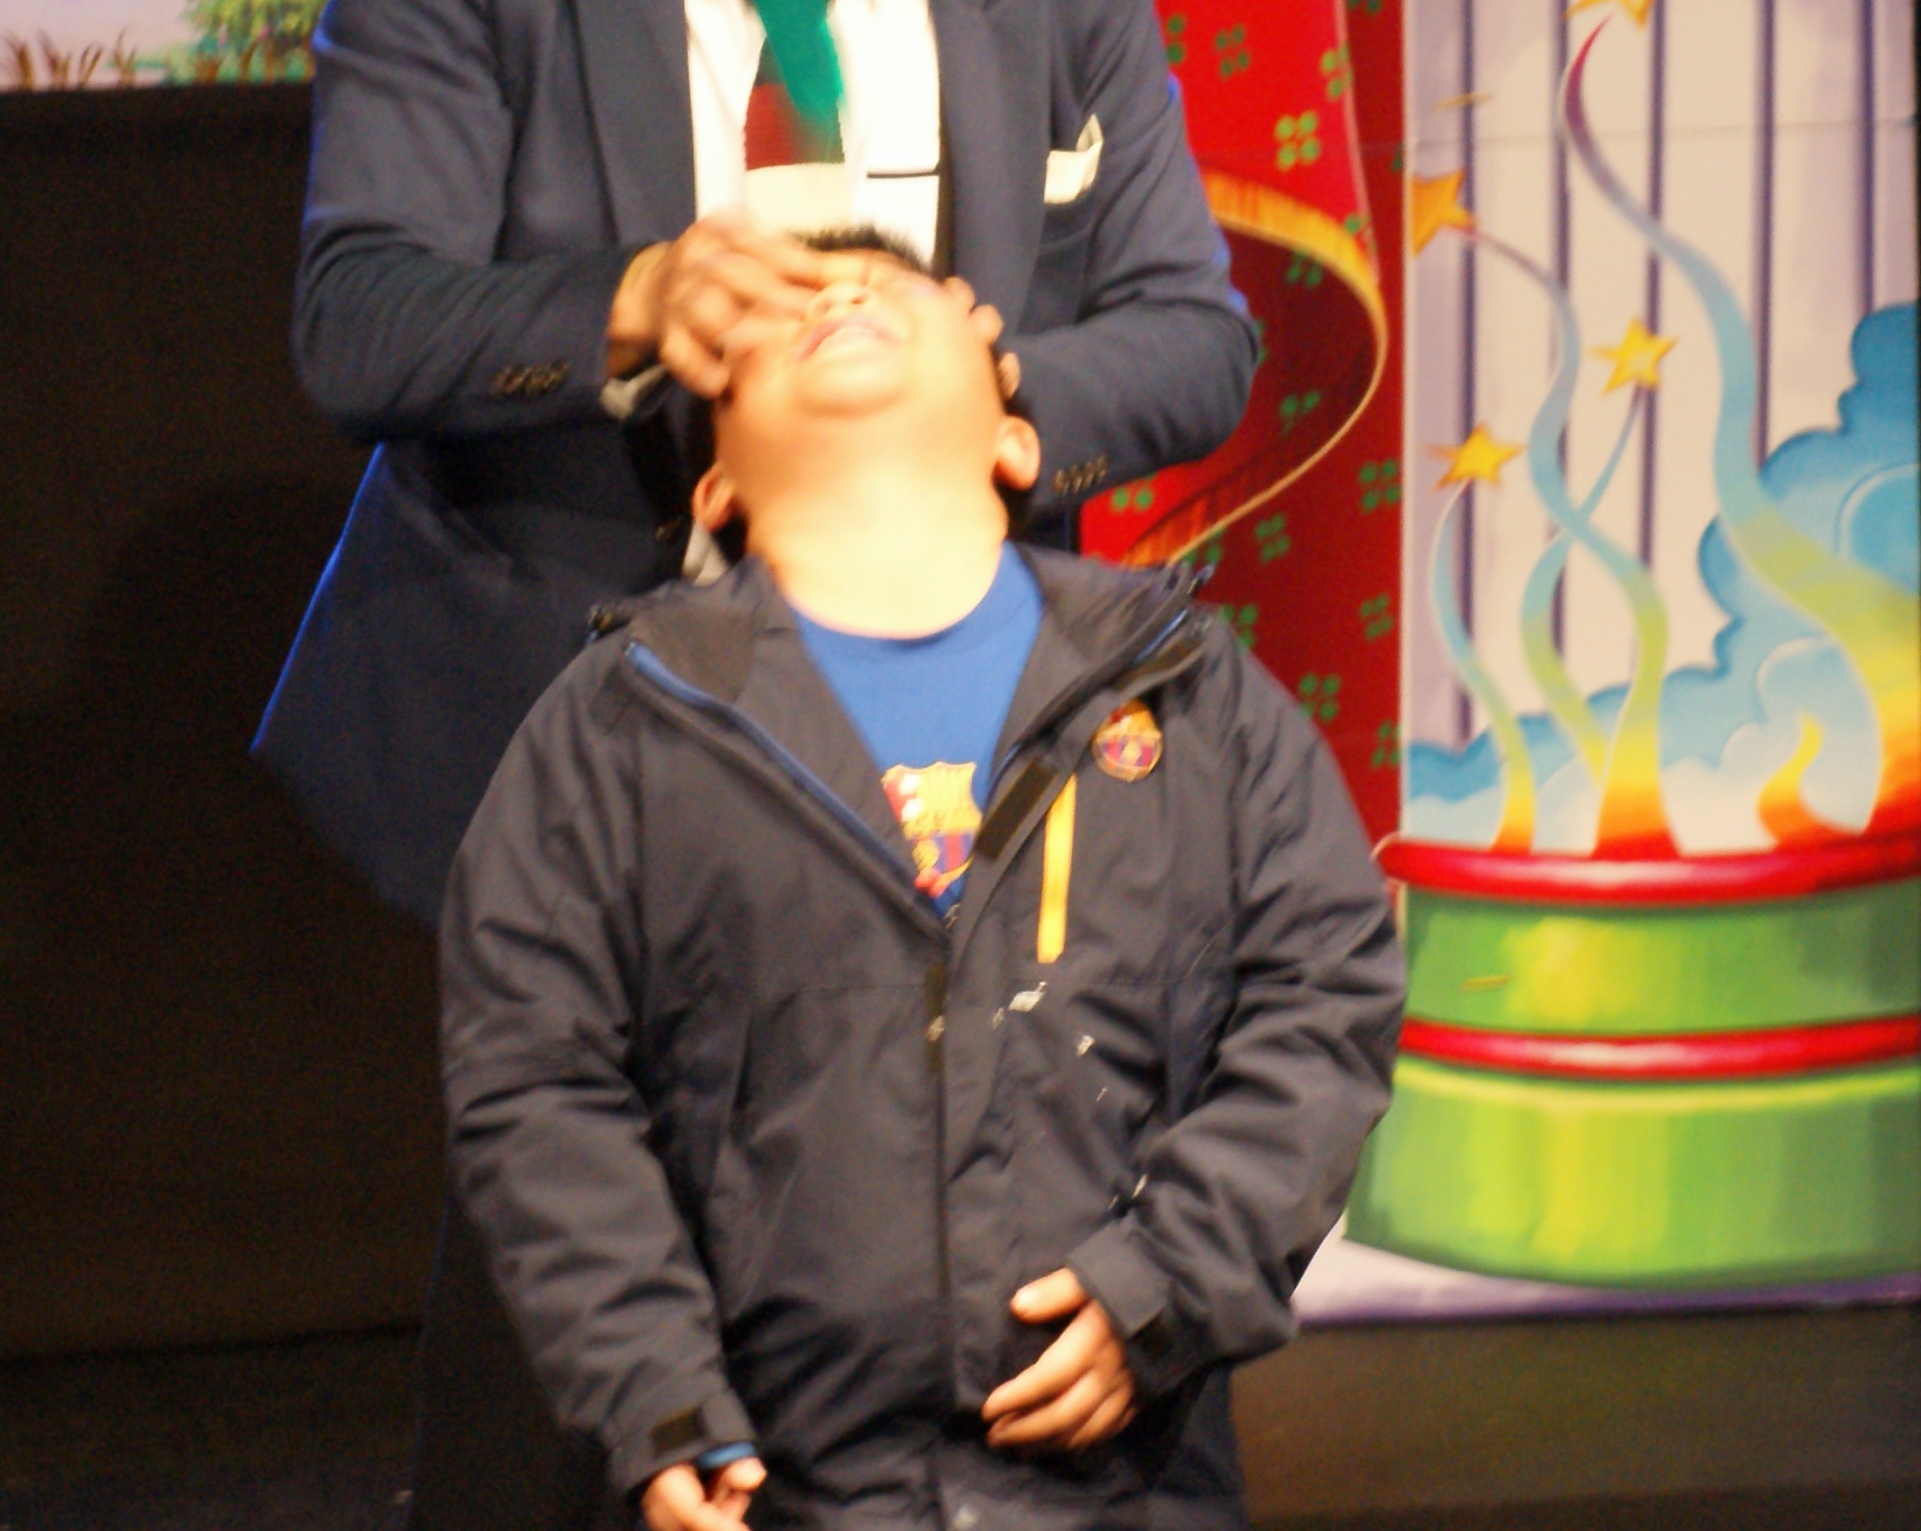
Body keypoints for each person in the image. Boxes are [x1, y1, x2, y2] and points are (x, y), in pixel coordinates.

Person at [258, 0, 1263, 1524]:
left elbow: (1195, 338)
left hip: (961, 755)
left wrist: (972, 393)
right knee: (587, 1330)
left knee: (982, 1280)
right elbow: (359, 317)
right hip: (582, 727)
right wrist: (634, 300)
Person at [441, 235, 1403, 1531]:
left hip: (1123, 1481)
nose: (841, 292)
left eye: (897, 285)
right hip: (775, 1484)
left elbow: (1324, 993)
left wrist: (1172, 1277)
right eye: (784, 306)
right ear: (715, 483)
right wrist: (651, 1387)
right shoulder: (624, 721)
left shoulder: (1182, 686)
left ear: (1015, 434)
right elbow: (536, 1077)